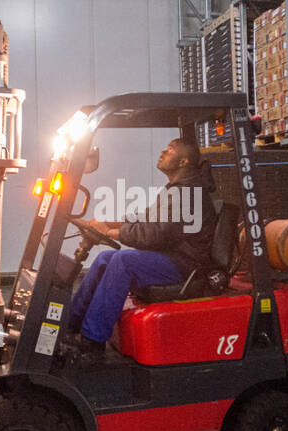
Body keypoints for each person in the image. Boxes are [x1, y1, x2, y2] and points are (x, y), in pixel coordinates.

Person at [68, 138, 218, 355]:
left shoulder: (189, 193)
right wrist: (106, 223)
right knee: (105, 258)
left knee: (123, 261)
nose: (162, 153)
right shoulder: (177, 189)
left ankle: (93, 340)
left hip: (185, 264)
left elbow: (154, 234)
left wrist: (108, 232)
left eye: (170, 150)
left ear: (183, 161)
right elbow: (146, 218)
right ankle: (72, 323)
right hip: (172, 255)